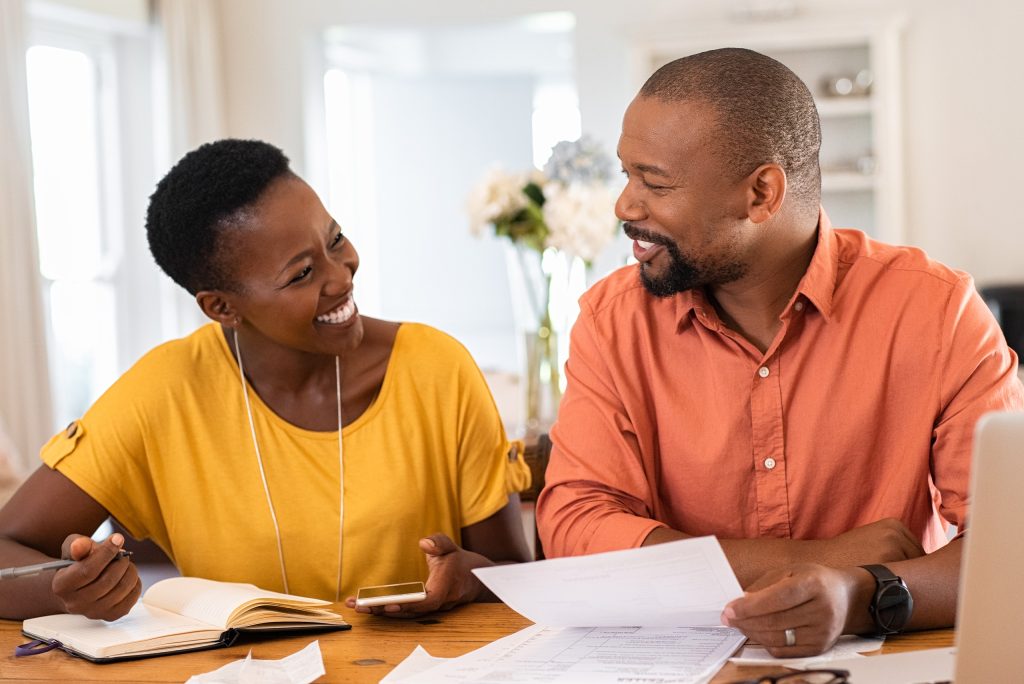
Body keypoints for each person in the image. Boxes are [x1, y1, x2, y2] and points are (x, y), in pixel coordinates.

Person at [536, 48, 1024, 657]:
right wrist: (811, 560)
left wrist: (858, 593)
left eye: (654, 182)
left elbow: (1010, 545)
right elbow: (576, 527)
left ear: (762, 193)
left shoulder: (936, 311)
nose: (625, 206)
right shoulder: (612, 322)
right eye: (627, 174)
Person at [0, 139, 532, 621]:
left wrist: (463, 580)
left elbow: (512, 570)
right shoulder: (163, 392)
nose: (341, 275)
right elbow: (8, 547)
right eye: (301, 274)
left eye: (336, 239)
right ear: (221, 307)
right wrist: (63, 589)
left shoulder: (437, 368)